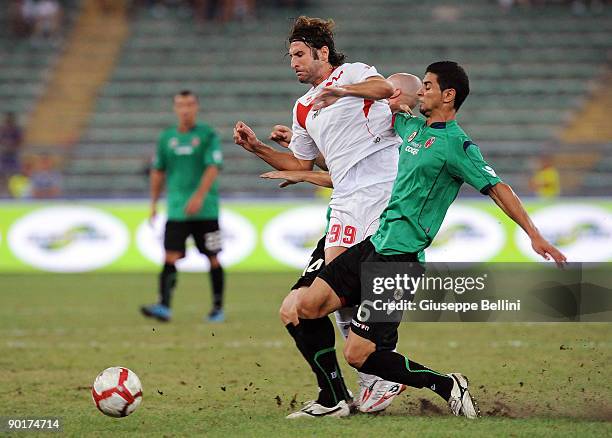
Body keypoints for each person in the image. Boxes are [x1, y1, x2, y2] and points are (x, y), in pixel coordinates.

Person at [290, 61, 567, 419]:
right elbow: (362, 142)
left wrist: (535, 235)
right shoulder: (413, 128)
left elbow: (498, 189)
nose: (421, 91)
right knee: (305, 306)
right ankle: (332, 398)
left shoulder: (457, 146)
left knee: (359, 354)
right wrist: (309, 141)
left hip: (399, 260)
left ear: (448, 95)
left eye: (428, 86)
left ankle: (447, 385)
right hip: (373, 245)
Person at [234, 15, 418, 418]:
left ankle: (375, 375)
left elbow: (385, 87)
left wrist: (339, 90)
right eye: (290, 56)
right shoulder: (302, 108)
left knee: (347, 289)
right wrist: (258, 148)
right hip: (344, 202)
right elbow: (299, 161)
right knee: (334, 296)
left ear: (321, 52)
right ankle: (362, 383)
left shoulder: (352, 74)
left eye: (299, 54)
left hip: (380, 197)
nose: (294, 63)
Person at [141, 90, 225, 323]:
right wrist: (153, 203)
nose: (185, 109)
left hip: (206, 209)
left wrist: (199, 196)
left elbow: (213, 167)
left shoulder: (208, 135)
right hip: (177, 210)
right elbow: (158, 171)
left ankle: (217, 308)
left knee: (213, 257)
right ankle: (164, 306)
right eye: (180, 105)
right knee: (170, 256)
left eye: (189, 104)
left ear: (196, 107)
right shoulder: (167, 137)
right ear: (175, 108)